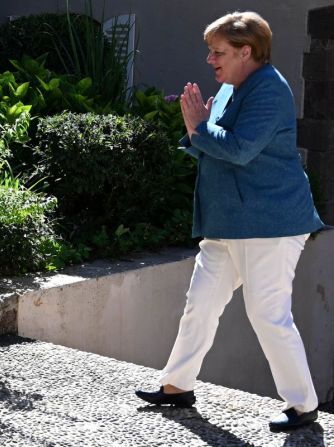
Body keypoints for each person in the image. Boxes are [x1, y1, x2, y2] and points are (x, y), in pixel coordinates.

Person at [135, 11, 323, 431]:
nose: (210, 60)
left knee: (268, 314)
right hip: (228, 222)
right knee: (199, 304)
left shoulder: (269, 90)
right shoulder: (228, 88)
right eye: (210, 51)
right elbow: (210, 139)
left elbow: (238, 150)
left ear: (246, 51)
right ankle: (177, 386)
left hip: (269, 224)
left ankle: (303, 404)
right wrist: (197, 129)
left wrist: (199, 128)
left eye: (218, 52)